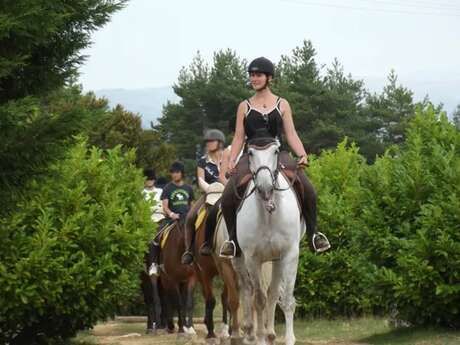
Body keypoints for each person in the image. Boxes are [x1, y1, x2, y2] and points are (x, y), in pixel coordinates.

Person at [219, 56, 331, 257]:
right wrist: (232, 161)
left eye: (258, 75)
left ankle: (314, 235)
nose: (254, 79)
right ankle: (233, 241)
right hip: (251, 154)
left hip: (278, 154)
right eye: (252, 75)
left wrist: (302, 154)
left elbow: (291, 134)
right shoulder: (244, 106)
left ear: (269, 77)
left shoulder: (282, 104)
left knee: (308, 189)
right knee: (227, 195)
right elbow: (238, 137)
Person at [181, 129, 226, 265]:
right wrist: (210, 188)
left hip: (226, 192)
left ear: (220, 143)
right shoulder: (202, 161)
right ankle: (189, 251)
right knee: (190, 217)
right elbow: (200, 180)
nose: (208, 144)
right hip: (209, 193)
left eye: (211, 141)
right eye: (207, 142)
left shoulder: (228, 158)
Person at [147, 161, 194, 276]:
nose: (175, 174)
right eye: (173, 172)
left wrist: (192, 215)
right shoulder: (167, 188)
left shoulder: (188, 188)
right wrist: (172, 214)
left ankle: (199, 261)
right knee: (155, 237)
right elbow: (165, 206)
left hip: (186, 219)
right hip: (172, 219)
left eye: (177, 172)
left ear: (182, 173)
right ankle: (154, 264)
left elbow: (192, 204)